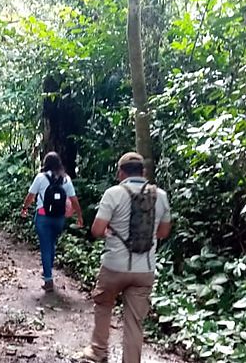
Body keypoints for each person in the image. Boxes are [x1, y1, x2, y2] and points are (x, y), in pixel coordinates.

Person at [81, 152, 171, 363]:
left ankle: (99, 350)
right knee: (134, 321)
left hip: (114, 266)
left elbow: (97, 229)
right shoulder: (161, 196)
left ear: (121, 172)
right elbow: (163, 232)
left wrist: (110, 231)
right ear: (144, 172)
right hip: (145, 269)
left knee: (103, 304)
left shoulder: (113, 193)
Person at [20, 152, 84, 292]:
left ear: (45, 163)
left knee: (45, 246)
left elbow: (31, 196)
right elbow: (74, 200)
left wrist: (24, 208)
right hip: (59, 218)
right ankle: (48, 269)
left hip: (43, 217)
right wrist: (79, 216)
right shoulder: (66, 179)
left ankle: (48, 279)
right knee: (52, 243)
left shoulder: (41, 177)